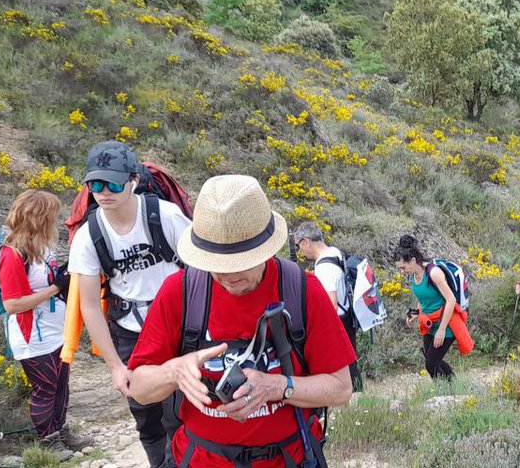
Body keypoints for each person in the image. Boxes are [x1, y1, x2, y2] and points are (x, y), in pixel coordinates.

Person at [127, 174, 355, 468]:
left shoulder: (303, 291)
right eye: (216, 264)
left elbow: (340, 388)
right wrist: (174, 371)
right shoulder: (179, 292)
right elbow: (139, 389)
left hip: (288, 459)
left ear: (268, 249)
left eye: (243, 261)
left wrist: (277, 387)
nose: (229, 277)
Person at [69, 141, 192, 468]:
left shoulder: (165, 216)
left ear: (134, 181)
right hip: (130, 332)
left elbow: (200, 271)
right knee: (145, 416)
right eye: (95, 184)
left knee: (179, 412)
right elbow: (91, 306)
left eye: (113, 183)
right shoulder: (88, 236)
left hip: (177, 326)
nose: (103, 192)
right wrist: (114, 366)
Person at [0, 190, 93, 460]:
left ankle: (61, 431)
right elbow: (12, 304)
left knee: (61, 384)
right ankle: (48, 442)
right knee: (46, 388)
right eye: (50, 216)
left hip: (56, 329)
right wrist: (54, 288)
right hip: (33, 336)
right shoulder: (12, 254)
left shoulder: (41, 247)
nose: (55, 220)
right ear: (37, 218)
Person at [291, 221, 362, 391]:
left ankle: (354, 397)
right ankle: (359, 396)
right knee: (351, 361)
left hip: (338, 320)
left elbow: (330, 304)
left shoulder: (324, 267)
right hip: (348, 315)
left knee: (342, 365)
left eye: (298, 246)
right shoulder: (335, 252)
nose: (299, 251)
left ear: (306, 242)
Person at [393, 235, 460, 381]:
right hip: (429, 323)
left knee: (431, 364)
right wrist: (416, 313)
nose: (402, 271)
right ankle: (453, 384)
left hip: (445, 322)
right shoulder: (412, 276)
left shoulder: (434, 273)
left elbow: (451, 300)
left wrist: (442, 330)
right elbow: (424, 299)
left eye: (403, 267)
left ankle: (445, 391)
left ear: (412, 260)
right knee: (431, 359)